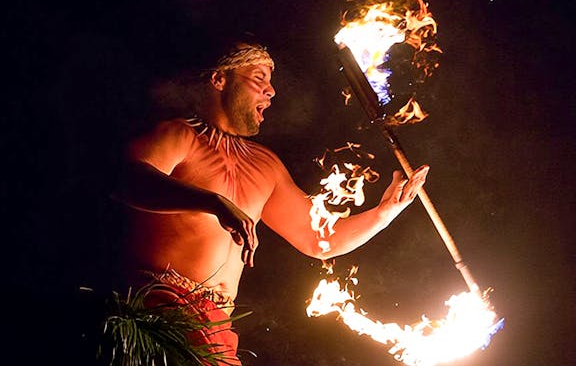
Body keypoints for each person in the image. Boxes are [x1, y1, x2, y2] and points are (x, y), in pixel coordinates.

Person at [113, 37, 429, 365]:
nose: (271, 91)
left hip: (217, 328)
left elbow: (320, 240)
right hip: (157, 315)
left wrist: (384, 213)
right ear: (220, 79)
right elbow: (125, 180)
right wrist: (214, 202)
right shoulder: (180, 136)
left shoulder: (265, 165)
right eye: (258, 79)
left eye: (271, 82)